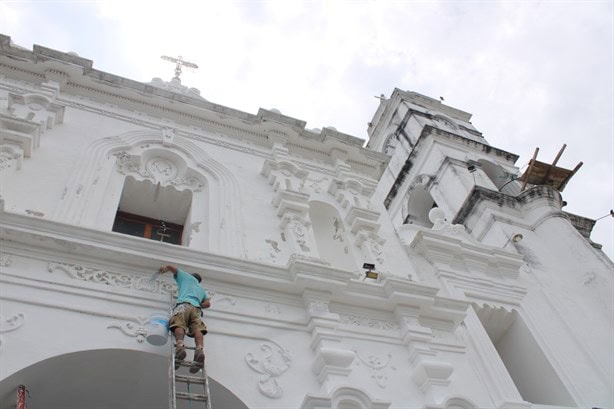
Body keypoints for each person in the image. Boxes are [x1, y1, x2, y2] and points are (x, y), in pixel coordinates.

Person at [158, 265, 210, 373]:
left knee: (178, 324)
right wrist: (198, 304)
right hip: (196, 310)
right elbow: (208, 303)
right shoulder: (200, 289)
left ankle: (180, 346)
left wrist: (164, 268)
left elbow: (171, 267)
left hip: (184, 305)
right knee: (197, 329)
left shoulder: (186, 277)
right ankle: (199, 349)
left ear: (192, 276)